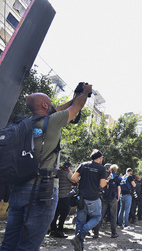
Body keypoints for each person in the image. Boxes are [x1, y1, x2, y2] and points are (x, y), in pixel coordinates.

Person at [0, 85, 92, 251]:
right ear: (44, 106)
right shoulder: (52, 123)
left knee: (9, 242)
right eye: (49, 103)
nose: (52, 107)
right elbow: (77, 107)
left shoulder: (26, 124)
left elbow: (57, 109)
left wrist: (74, 97)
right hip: (42, 191)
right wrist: (85, 92)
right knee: (28, 245)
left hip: (19, 189)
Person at [70, 149, 107, 251]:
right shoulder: (101, 168)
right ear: (99, 158)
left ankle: (78, 247)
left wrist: (80, 182)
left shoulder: (83, 165)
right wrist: (107, 181)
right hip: (93, 198)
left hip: (81, 198)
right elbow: (102, 184)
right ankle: (80, 235)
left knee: (80, 222)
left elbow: (74, 178)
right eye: (102, 158)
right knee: (97, 217)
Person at [93, 164, 121, 239]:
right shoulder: (117, 178)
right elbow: (118, 188)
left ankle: (96, 233)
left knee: (101, 214)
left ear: (110, 169)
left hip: (105, 197)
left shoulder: (106, 176)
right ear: (116, 170)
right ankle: (113, 233)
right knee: (113, 215)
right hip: (113, 197)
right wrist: (118, 196)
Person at [50, 162, 75, 238]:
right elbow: (74, 180)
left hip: (56, 196)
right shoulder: (68, 173)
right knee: (63, 215)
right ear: (69, 167)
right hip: (65, 197)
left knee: (55, 214)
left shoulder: (57, 171)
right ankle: (60, 230)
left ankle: (53, 230)